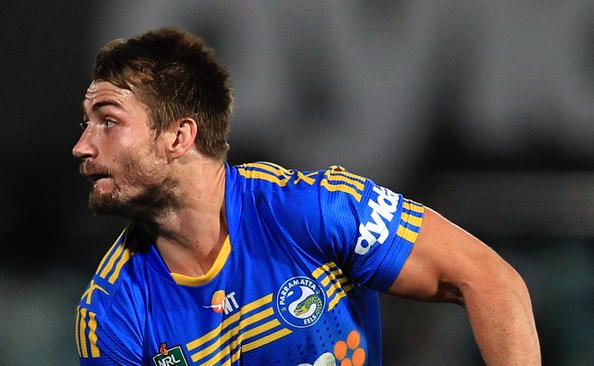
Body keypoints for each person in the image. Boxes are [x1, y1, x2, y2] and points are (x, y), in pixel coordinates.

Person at [72, 27, 540, 366]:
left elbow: (491, 282)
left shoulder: (312, 211)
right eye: (87, 123)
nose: (83, 146)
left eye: (108, 121)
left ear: (179, 136)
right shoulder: (111, 313)